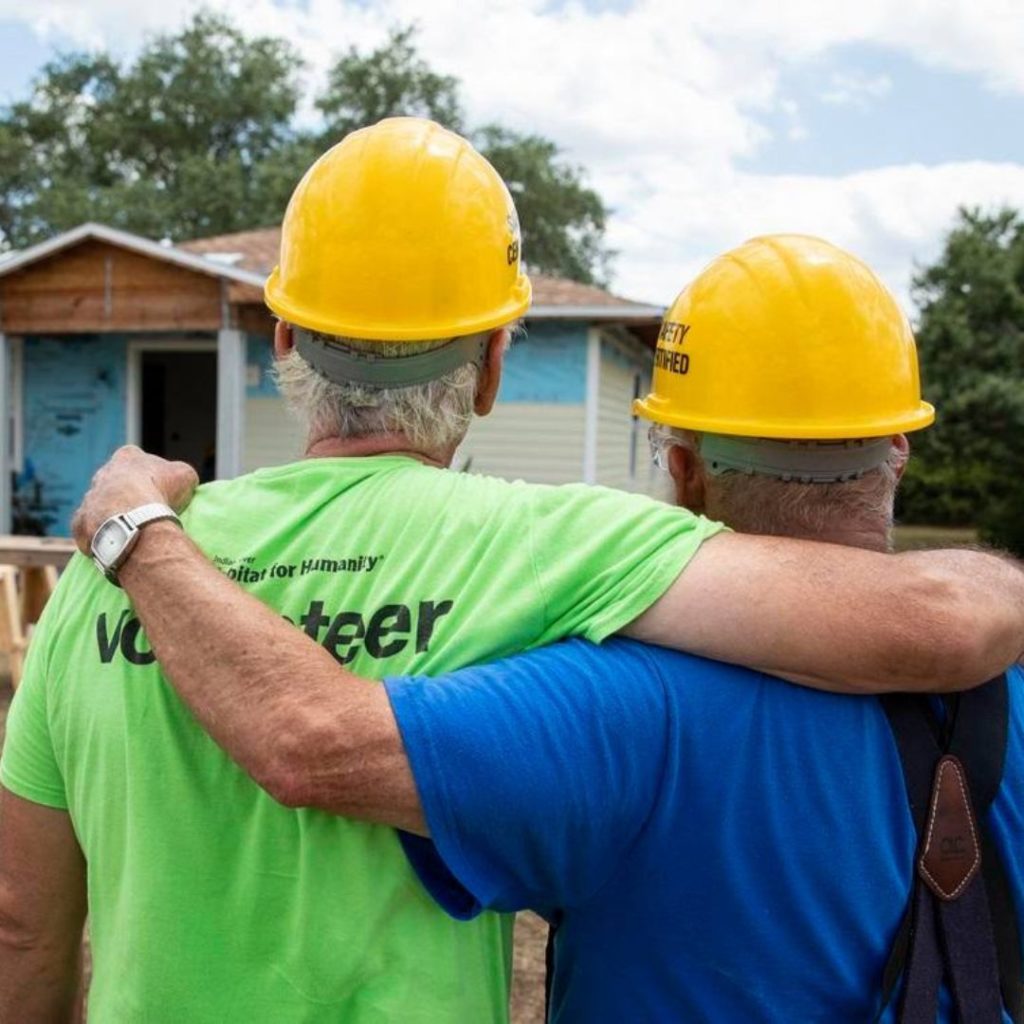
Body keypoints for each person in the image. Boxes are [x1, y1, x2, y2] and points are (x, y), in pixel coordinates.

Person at [1, 158, 1022, 1024]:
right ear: (492, 367)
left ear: (281, 340)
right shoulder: (557, 550)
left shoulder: (103, 579)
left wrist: (136, 531)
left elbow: (21, 920)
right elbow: (934, 620)